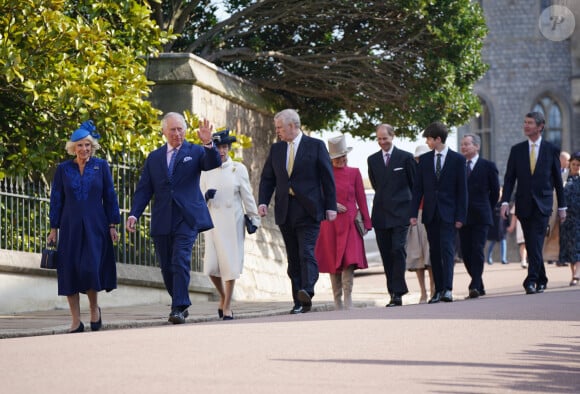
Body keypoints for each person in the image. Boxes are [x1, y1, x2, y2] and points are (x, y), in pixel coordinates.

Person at [125, 112, 221, 324]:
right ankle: (179, 300)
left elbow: (212, 162)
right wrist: (134, 214)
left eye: (180, 129)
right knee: (167, 266)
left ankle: (178, 306)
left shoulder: (195, 151)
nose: (177, 134)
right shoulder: (154, 158)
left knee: (180, 259)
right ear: (164, 132)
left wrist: (208, 143)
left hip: (187, 217)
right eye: (173, 130)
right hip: (162, 218)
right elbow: (144, 190)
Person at [258, 108, 337, 314]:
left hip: (309, 209)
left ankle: (307, 289)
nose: (278, 132)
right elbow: (268, 178)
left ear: (293, 125)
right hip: (286, 209)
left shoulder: (316, 146)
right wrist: (263, 202)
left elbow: (328, 179)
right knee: (293, 257)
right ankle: (298, 300)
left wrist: (330, 206)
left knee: (306, 251)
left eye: (280, 128)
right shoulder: (276, 149)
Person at [47, 120, 120, 333]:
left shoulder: (101, 167)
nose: (84, 149)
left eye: (88, 145)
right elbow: (56, 199)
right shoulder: (63, 169)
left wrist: (112, 224)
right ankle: (75, 321)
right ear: (73, 147)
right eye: (80, 145)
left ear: (92, 146)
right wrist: (54, 228)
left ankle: (94, 309)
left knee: (90, 268)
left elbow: (110, 196)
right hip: (69, 225)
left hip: (95, 224)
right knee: (69, 270)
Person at [500, 111, 566, 295]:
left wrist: (562, 207)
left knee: (535, 240)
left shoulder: (551, 149)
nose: (526, 125)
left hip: (543, 204)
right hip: (523, 204)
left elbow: (558, 181)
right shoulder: (517, 150)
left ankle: (531, 280)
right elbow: (509, 179)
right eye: (525, 122)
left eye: (530, 123)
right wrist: (505, 201)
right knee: (531, 243)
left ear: (540, 126)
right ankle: (542, 278)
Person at [200, 129, 261, 320]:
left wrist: (254, 218)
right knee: (211, 268)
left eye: (225, 147)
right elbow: (197, 195)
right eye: (218, 147)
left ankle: (226, 306)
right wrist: (205, 196)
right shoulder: (205, 169)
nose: (221, 151)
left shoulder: (238, 169)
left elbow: (248, 197)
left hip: (232, 222)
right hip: (212, 222)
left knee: (230, 265)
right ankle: (224, 296)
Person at [410, 121, 467, 304]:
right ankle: (438, 290)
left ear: (438, 139)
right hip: (430, 214)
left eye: (429, 139)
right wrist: (413, 213)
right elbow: (417, 189)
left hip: (449, 214)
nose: (427, 142)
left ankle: (448, 290)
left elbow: (462, 191)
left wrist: (460, 216)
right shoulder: (425, 160)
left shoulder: (458, 159)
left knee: (447, 250)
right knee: (434, 252)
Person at [314, 135, 371, 310]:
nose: (342, 160)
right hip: (330, 222)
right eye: (338, 157)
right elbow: (317, 195)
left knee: (350, 260)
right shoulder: (324, 173)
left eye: (344, 156)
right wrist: (331, 204)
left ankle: (348, 298)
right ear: (331, 159)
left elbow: (361, 199)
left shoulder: (354, 172)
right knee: (333, 261)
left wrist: (367, 222)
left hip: (351, 222)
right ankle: (336, 300)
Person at [367, 124, 416, 307]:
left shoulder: (406, 158)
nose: (382, 142)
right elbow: (375, 185)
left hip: (401, 214)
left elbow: (414, 186)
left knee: (397, 249)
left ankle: (398, 291)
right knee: (386, 255)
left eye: (385, 138)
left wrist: (412, 212)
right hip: (381, 215)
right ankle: (393, 292)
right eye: (379, 139)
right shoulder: (372, 160)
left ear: (392, 136)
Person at [458, 134, 500, 299]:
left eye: (467, 144)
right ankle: (479, 283)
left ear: (477, 146)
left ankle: (474, 284)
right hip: (463, 216)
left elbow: (495, 191)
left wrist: (487, 207)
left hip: (481, 215)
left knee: (477, 249)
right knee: (465, 252)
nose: (463, 147)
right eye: (462, 144)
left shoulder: (488, 166)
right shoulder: (458, 165)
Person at [405, 145, 434, 303]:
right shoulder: (412, 174)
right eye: (417, 159)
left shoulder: (435, 171)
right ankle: (423, 292)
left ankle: (433, 289)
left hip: (430, 214)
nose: (419, 161)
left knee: (430, 255)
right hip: (415, 215)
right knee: (417, 256)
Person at [545, 151, 571, 266]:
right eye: (567, 160)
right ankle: (547, 255)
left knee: (563, 234)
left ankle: (561, 257)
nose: (569, 162)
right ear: (561, 160)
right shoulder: (552, 171)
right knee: (550, 231)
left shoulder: (571, 173)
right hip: (553, 206)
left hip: (566, 208)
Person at [559, 151, 580, 286]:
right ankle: (573, 274)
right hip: (566, 219)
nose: (576, 167)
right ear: (569, 164)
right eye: (574, 164)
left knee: (579, 246)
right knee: (570, 247)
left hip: (579, 218)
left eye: (578, 165)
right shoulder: (563, 178)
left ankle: (577, 274)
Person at [487, 188, 508, 265]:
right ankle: (489, 257)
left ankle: (503, 258)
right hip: (494, 227)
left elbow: (507, 215)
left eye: (501, 192)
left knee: (503, 242)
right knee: (493, 242)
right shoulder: (492, 202)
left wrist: (508, 225)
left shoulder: (503, 204)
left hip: (502, 227)